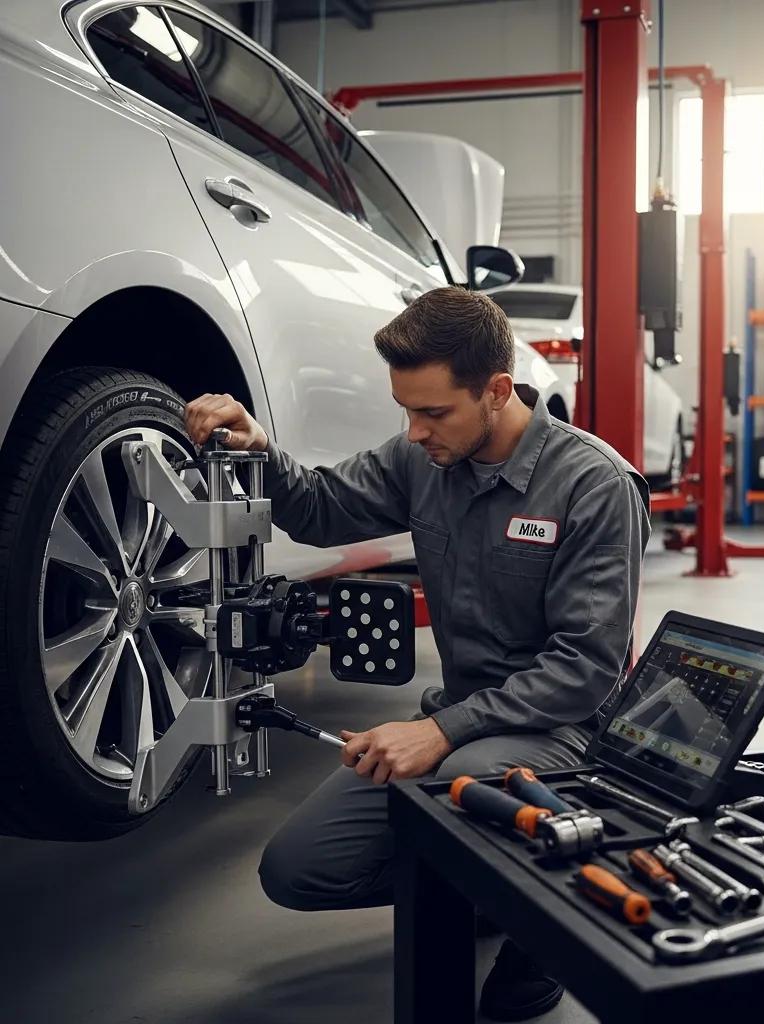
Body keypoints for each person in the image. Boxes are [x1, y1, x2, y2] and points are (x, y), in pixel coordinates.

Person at [185, 286, 650, 1022]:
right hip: (464, 719)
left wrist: (438, 733)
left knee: (466, 779)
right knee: (298, 870)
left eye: (433, 412)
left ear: (498, 392)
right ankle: (497, 884)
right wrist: (260, 449)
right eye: (406, 409)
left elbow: (585, 670)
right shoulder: (424, 460)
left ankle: (547, 919)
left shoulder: (592, 484)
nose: (413, 431)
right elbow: (320, 507)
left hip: (566, 731)